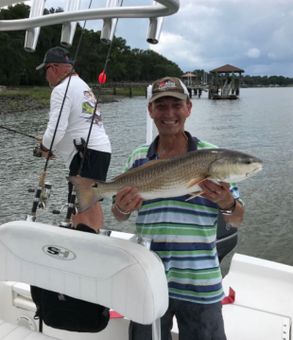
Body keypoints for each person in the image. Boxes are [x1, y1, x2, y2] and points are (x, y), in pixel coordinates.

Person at [111, 76, 244, 340]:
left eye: (176, 105)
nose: (169, 113)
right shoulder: (138, 157)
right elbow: (118, 214)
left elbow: (238, 218)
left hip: (199, 281)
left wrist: (227, 203)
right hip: (149, 278)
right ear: (151, 110)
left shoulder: (213, 157)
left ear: (188, 108)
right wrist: (122, 208)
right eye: (161, 106)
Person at [36, 46, 111, 233]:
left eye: (45, 71)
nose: (46, 78)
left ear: (52, 68)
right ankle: (89, 239)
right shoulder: (82, 85)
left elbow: (55, 132)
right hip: (98, 151)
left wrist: (44, 147)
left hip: (85, 154)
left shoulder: (62, 89)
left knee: (83, 207)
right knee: (86, 204)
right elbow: (77, 126)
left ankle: (87, 248)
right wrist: (51, 145)